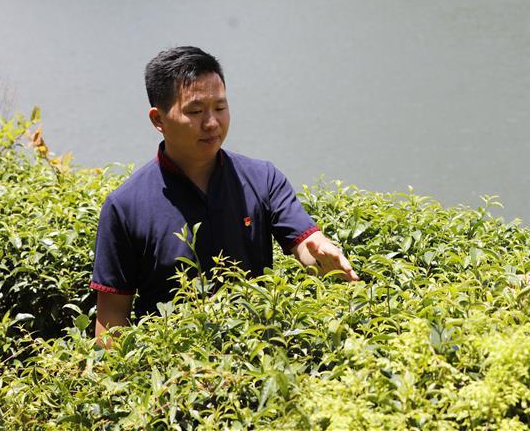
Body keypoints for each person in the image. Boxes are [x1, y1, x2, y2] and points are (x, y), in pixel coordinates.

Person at [92, 46, 358, 342]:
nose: (212, 123)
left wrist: (322, 253)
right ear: (158, 119)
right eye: (195, 111)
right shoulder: (125, 205)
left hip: (255, 359)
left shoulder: (262, 178)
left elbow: (304, 242)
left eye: (220, 107)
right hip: (169, 375)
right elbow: (113, 317)